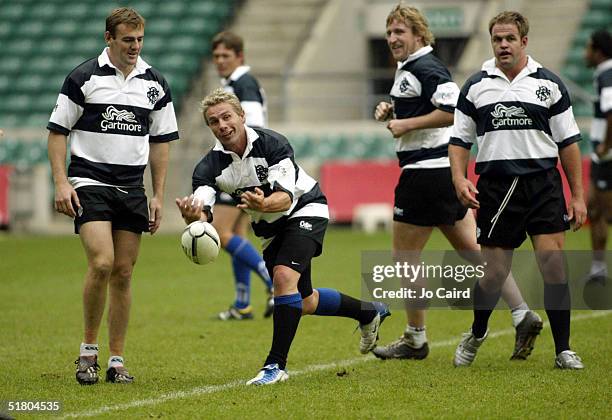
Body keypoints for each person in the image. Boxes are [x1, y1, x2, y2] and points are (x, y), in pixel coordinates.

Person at [176, 89, 390, 385]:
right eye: (214, 121)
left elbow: (285, 198)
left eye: (227, 117)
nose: (222, 125)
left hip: (305, 208)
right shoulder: (208, 167)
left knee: (282, 279)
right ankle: (368, 312)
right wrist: (193, 217)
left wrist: (262, 204)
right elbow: (203, 208)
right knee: (304, 301)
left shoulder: (272, 143)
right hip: (270, 228)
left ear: (241, 116)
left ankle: (275, 366)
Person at [372, 4, 542, 362]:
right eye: (389, 33)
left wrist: (405, 125)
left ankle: (415, 339)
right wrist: (394, 111)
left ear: (419, 34)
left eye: (400, 32)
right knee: (474, 251)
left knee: (404, 258)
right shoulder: (412, 68)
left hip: (424, 174)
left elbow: (452, 109)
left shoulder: (427, 66)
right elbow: (425, 105)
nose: (392, 39)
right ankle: (522, 313)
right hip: (440, 173)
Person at [47, 7, 179, 384]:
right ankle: (88, 352)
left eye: (139, 39)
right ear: (109, 38)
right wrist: (61, 182)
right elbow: (58, 132)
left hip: (132, 188)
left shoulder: (155, 83)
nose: (135, 46)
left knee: (123, 272)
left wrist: (157, 195)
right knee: (102, 262)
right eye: (127, 40)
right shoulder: (83, 77)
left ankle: (116, 360)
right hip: (90, 181)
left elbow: (161, 143)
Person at [449, 11, 586, 369]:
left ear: (524, 41)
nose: (503, 45)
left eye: (510, 39)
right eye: (497, 39)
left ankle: (563, 350)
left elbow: (569, 143)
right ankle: (477, 333)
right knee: (493, 274)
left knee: (553, 267)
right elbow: (459, 141)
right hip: (496, 188)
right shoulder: (475, 87)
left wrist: (578, 195)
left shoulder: (549, 84)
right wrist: (459, 178)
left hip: (543, 185)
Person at [210, 31, 273, 320]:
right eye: (217, 56)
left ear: (240, 56)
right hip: (240, 167)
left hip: (240, 167)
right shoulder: (235, 84)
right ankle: (242, 304)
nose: (220, 61)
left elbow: (253, 127)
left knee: (220, 233)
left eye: (226, 55)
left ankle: (274, 284)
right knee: (236, 234)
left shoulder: (244, 84)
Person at [585, 30, 612, 282]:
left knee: (604, 212)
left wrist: (605, 145)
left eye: (588, 47)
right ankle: (597, 269)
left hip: (607, 156)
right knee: (593, 207)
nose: (585, 53)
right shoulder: (602, 73)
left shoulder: (607, 73)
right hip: (600, 156)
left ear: (598, 50)